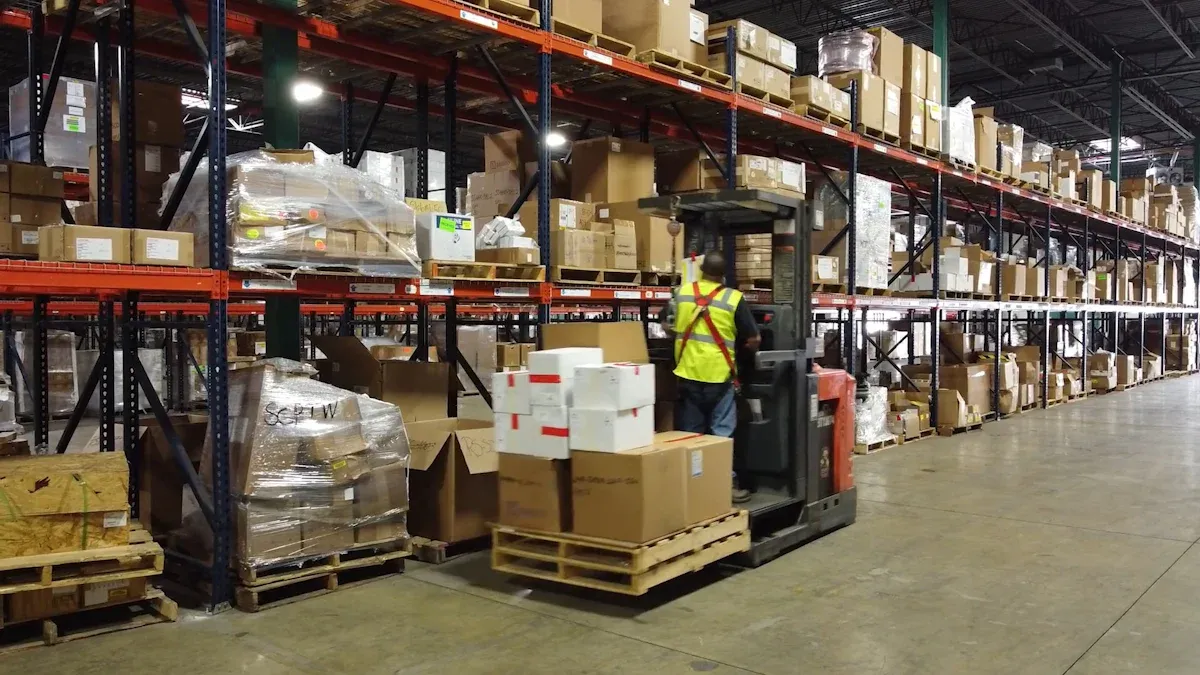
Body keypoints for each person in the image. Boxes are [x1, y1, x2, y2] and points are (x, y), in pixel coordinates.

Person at [665, 252, 760, 503]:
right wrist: (744, 352)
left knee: (691, 433)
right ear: (724, 275)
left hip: (687, 372)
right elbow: (754, 339)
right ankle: (722, 486)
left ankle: (691, 487)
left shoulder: (681, 293)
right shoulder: (733, 298)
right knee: (721, 433)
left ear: (701, 270)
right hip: (719, 375)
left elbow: (666, 326)